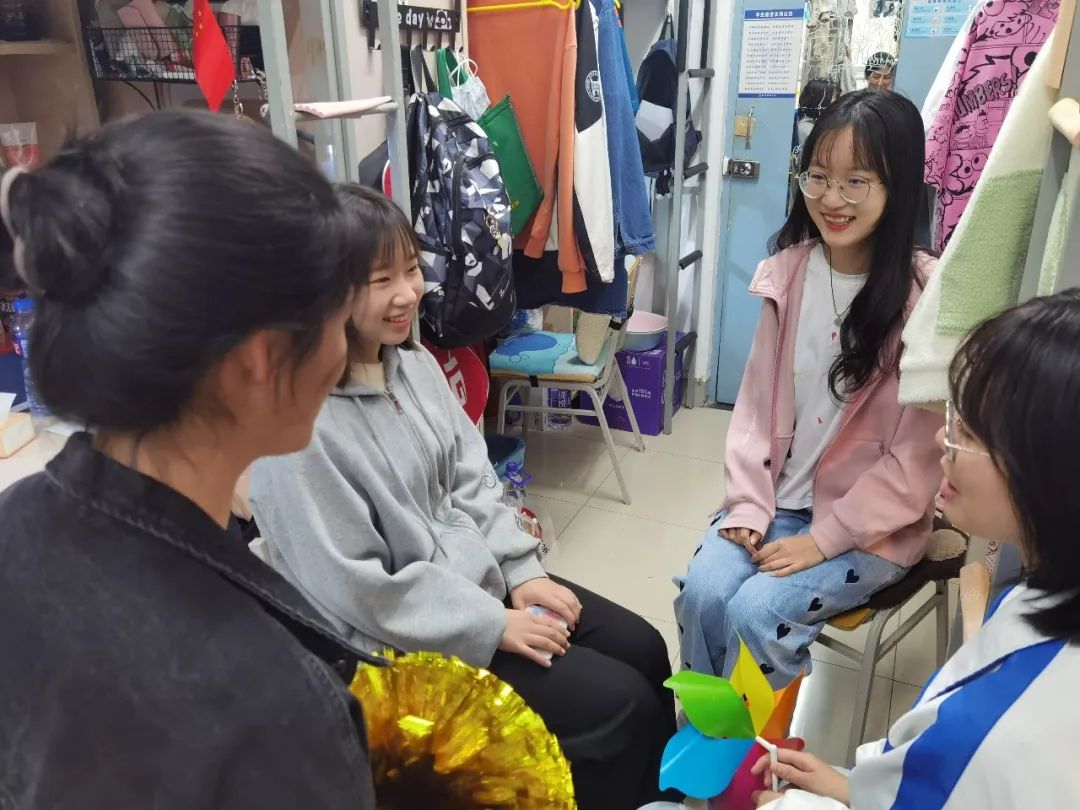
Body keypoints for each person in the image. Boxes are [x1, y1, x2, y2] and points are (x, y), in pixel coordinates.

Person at [249, 184, 679, 810]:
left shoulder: (412, 364)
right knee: (620, 708)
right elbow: (362, 589)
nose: (409, 293)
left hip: (474, 585)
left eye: (411, 269)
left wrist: (521, 570)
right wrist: (490, 624)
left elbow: (470, 475)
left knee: (644, 648)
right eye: (381, 280)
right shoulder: (296, 428)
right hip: (399, 641)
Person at [0, 111, 381, 808]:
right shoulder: (277, 714)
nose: (342, 349)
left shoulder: (13, 521)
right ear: (262, 358)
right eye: (339, 316)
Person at [750, 290, 1080, 809]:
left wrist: (790, 806)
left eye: (969, 430)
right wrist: (854, 787)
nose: (942, 440)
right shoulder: (1043, 592)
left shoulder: (1009, 739)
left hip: (869, 538)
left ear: (1049, 468)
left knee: (757, 607)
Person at [674, 90, 944, 688]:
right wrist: (748, 503)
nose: (831, 199)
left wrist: (823, 541)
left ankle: (754, 745)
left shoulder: (924, 298)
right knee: (705, 592)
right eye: (818, 176)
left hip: (870, 527)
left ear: (898, 187)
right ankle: (704, 730)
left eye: (856, 182)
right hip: (776, 499)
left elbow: (914, 463)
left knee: (755, 610)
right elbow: (752, 412)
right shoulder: (787, 274)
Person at [797, 78, 839, 147]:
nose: (837, 101)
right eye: (834, 97)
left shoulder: (819, 123)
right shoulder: (807, 130)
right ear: (821, 101)